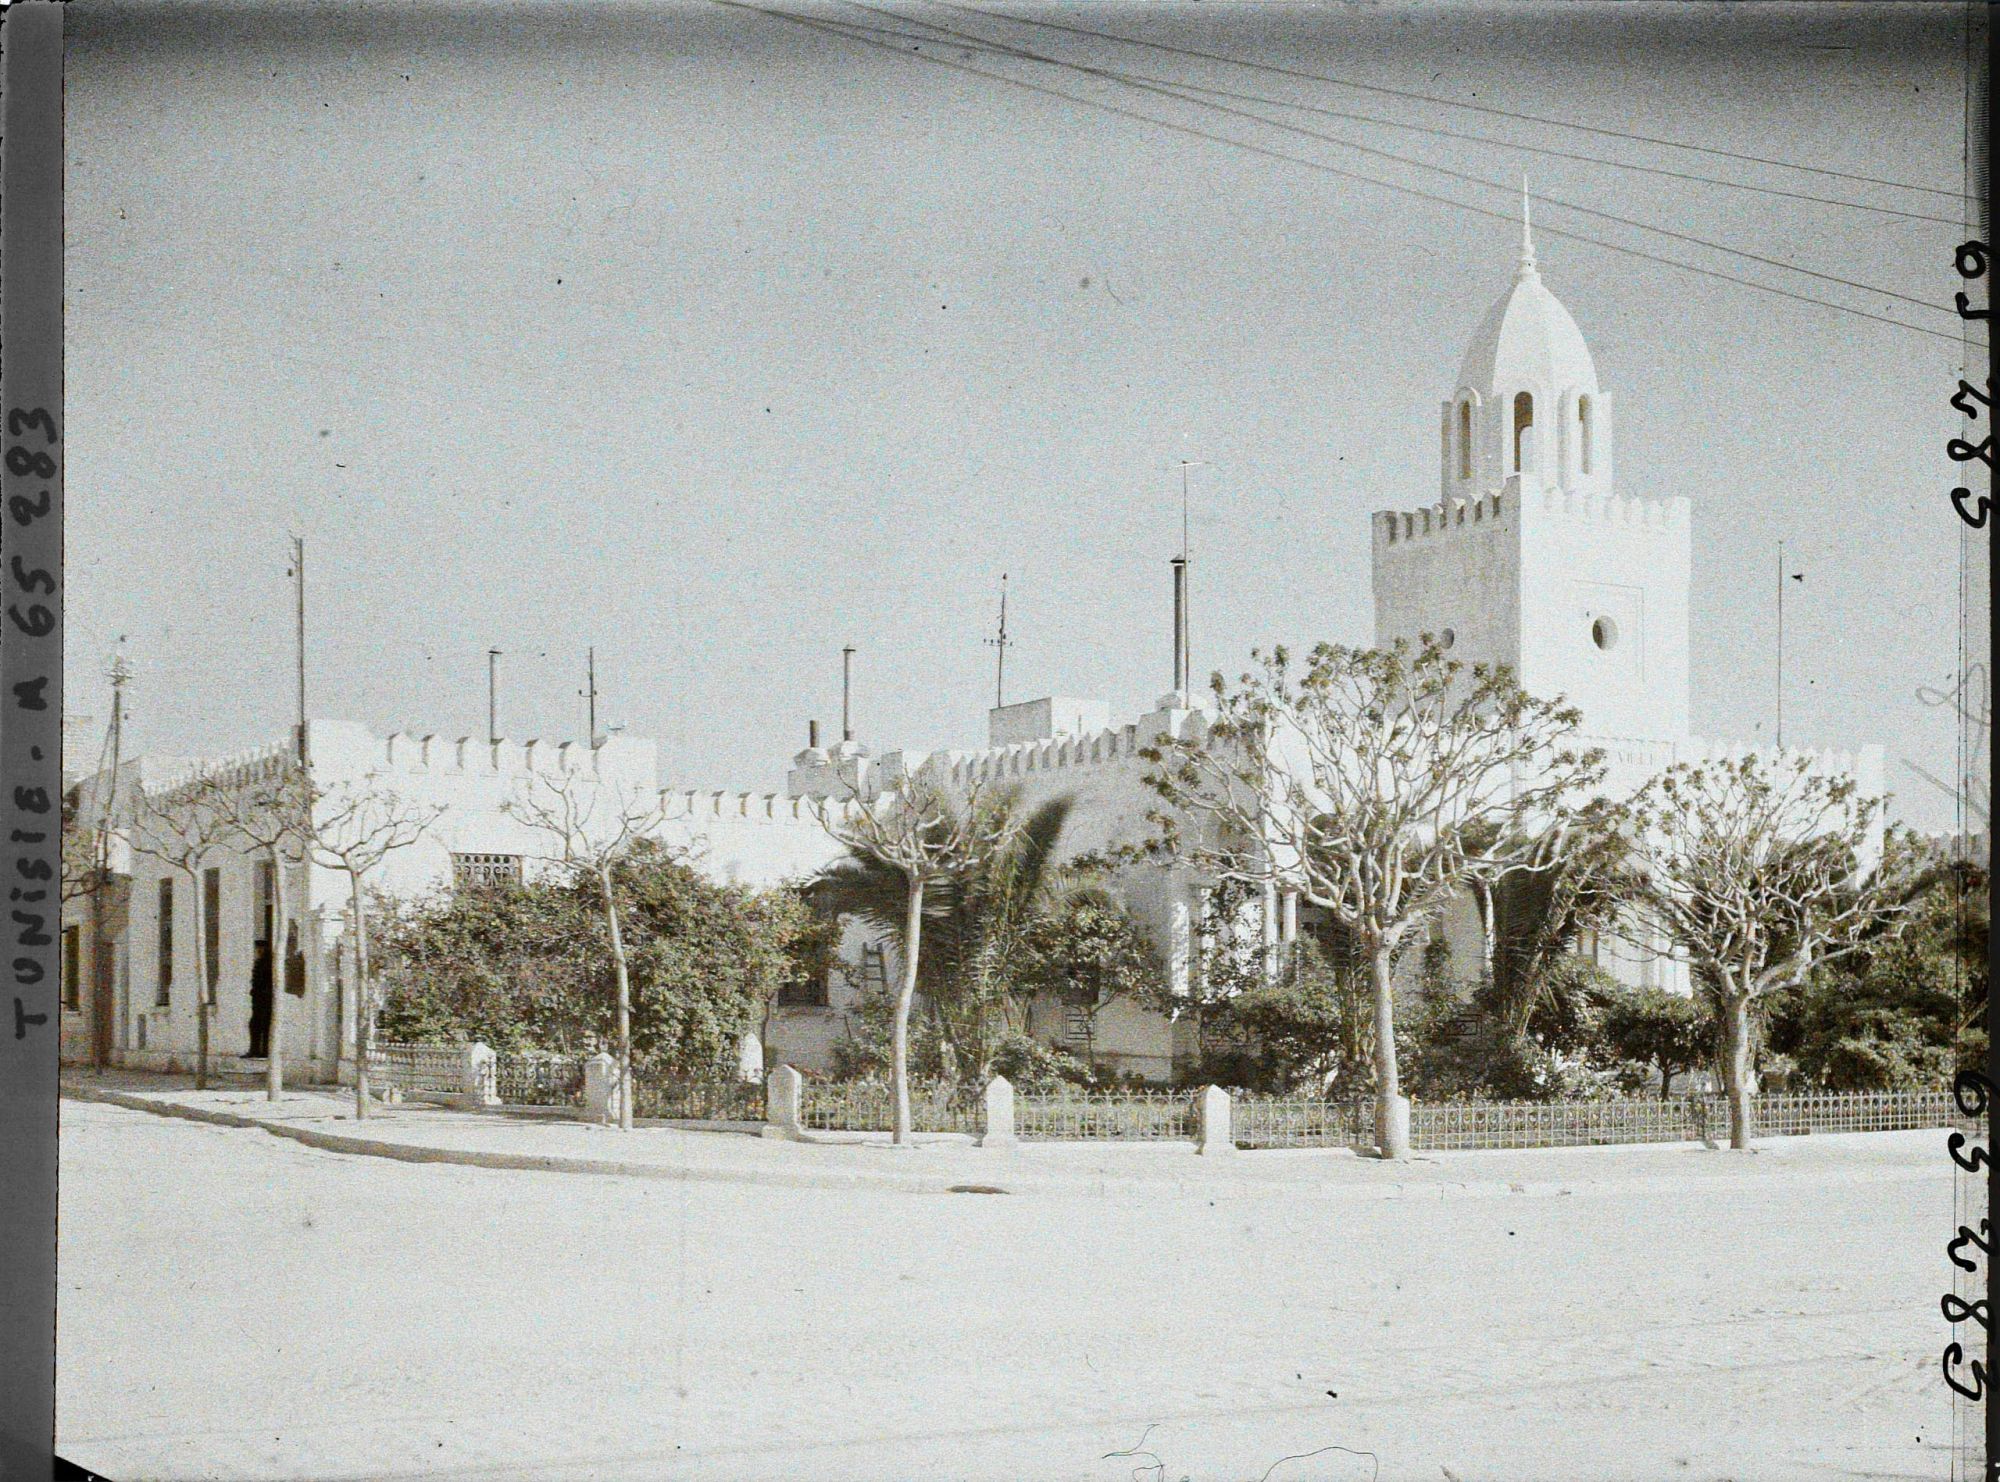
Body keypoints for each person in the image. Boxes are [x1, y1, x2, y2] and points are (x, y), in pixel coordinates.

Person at [248, 940, 274, 1059]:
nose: (259, 950)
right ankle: (254, 1050)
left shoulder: (268, 964)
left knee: (264, 1024)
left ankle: (264, 1051)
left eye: (261, 948)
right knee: (254, 1024)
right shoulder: (259, 962)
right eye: (257, 948)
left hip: (265, 999)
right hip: (257, 998)